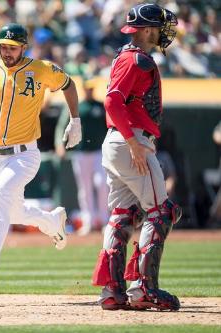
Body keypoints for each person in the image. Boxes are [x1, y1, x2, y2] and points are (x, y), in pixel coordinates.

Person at [0, 23, 82, 289]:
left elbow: (68, 84)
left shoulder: (41, 69)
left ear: (24, 47)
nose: (7, 51)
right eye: (3, 46)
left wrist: (75, 120)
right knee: (12, 211)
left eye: (12, 47)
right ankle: (51, 221)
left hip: (25, 154)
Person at [91, 4, 181, 311]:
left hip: (118, 142)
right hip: (131, 141)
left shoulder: (126, 55)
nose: (163, 31)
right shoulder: (137, 59)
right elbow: (112, 101)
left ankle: (113, 291)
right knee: (161, 211)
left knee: (122, 216)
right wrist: (133, 143)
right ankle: (145, 288)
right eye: (157, 26)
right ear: (145, 29)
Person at [55, 79, 109, 235]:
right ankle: (89, 220)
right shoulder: (76, 105)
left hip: (99, 151)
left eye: (92, 88)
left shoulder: (100, 106)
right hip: (80, 152)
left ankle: (104, 219)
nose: (89, 91)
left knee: (101, 184)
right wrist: (60, 144)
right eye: (87, 88)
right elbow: (62, 125)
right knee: (84, 188)